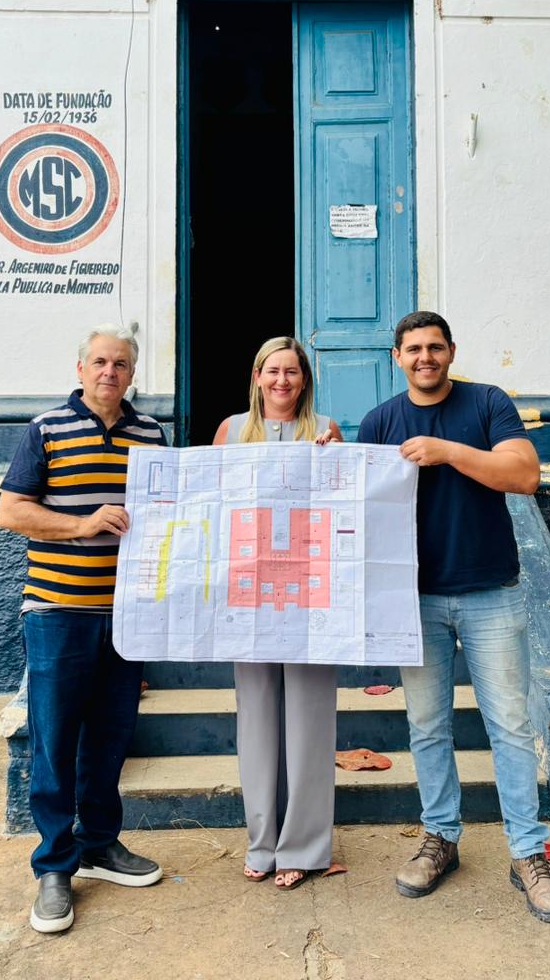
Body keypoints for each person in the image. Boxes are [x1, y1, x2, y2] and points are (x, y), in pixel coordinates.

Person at [357, 311, 550, 924]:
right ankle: (440, 839)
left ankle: (529, 855)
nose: (425, 357)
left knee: (507, 725)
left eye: (434, 347)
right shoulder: (380, 420)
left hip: (490, 592)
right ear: (396, 357)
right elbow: (358, 497)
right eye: (413, 349)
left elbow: (524, 475)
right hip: (413, 598)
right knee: (427, 726)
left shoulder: (486, 402)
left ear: (450, 352)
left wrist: (449, 451)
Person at [0, 324, 165, 934]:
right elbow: (10, 511)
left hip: (128, 616)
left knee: (110, 738)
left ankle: (99, 843)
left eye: (120, 363)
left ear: (132, 373)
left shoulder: (151, 435)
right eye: (99, 362)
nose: (109, 372)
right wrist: (84, 524)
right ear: (80, 368)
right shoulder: (45, 430)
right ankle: (53, 865)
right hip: (57, 612)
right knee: (54, 741)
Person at [212, 336, 344, 889]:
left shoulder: (326, 429)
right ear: (257, 376)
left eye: (292, 372)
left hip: (309, 589)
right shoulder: (230, 430)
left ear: (305, 379)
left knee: (311, 717)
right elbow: (208, 503)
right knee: (257, 716)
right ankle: (262, 842)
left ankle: (306, 847)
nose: (282, 381)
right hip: (250, 591)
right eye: (273, 371)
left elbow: (345, 501)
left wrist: (337, 454)